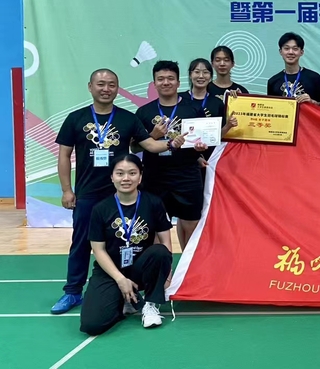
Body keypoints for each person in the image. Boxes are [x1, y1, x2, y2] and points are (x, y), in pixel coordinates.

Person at [51, 69, 179, 315]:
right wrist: (67, 190)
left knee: (133, 240)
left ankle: (137, 288)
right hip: (87, 194)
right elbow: (64, 155)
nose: (106, 89)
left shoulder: (128, 119)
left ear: (117, 89)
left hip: (122, 196)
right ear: (90, 87)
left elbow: (149, 145)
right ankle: (73, 291)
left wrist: (172, 143)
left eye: (111, 84)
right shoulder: (75, 118)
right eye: (101, 84)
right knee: (80, 243)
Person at [80, 154, 174, 335]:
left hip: (141, 268)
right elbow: (98, 250)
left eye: (132, 173)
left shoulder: (154, 203)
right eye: (120, 173)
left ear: (140, 177)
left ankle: (150, 304)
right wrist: (120, 279)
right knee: (92, 325)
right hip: (111, 271)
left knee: (159, 252)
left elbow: (165, 242)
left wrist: (167, 275)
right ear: (112, 177)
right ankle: (126, 301)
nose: (126, 178)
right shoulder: (100, 209)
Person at [135, 61, 207, 251]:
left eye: (170, 78)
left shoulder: (193, 109)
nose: (165, 82)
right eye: (160, 79)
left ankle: (188, 266)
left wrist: (200, 149)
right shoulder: (144, 112)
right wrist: (153, 135)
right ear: (154, 83)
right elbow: (133, 147)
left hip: (187, 176)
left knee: (191, 223)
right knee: (154, 226)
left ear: (178, 82)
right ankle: (159, 268)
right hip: (154, 177)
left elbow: (203, 140)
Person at [180, 58, 239, 174]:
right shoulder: (180, 99)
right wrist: (195, 157)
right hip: (184, 159)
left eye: (205, 72)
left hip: (210, 159)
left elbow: (218, 136)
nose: (201, 76)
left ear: (211, 76)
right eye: (197, 72)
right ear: (190, 75)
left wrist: (228, 126)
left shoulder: (217, 103)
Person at [267, 32, 320, 104]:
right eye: (286, 48)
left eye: (295, 49)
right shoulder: (273, 81)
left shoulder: (314, 78)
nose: (291, 52)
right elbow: (271, 107)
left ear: (301, 52)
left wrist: (311, 101)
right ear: (280, 52)